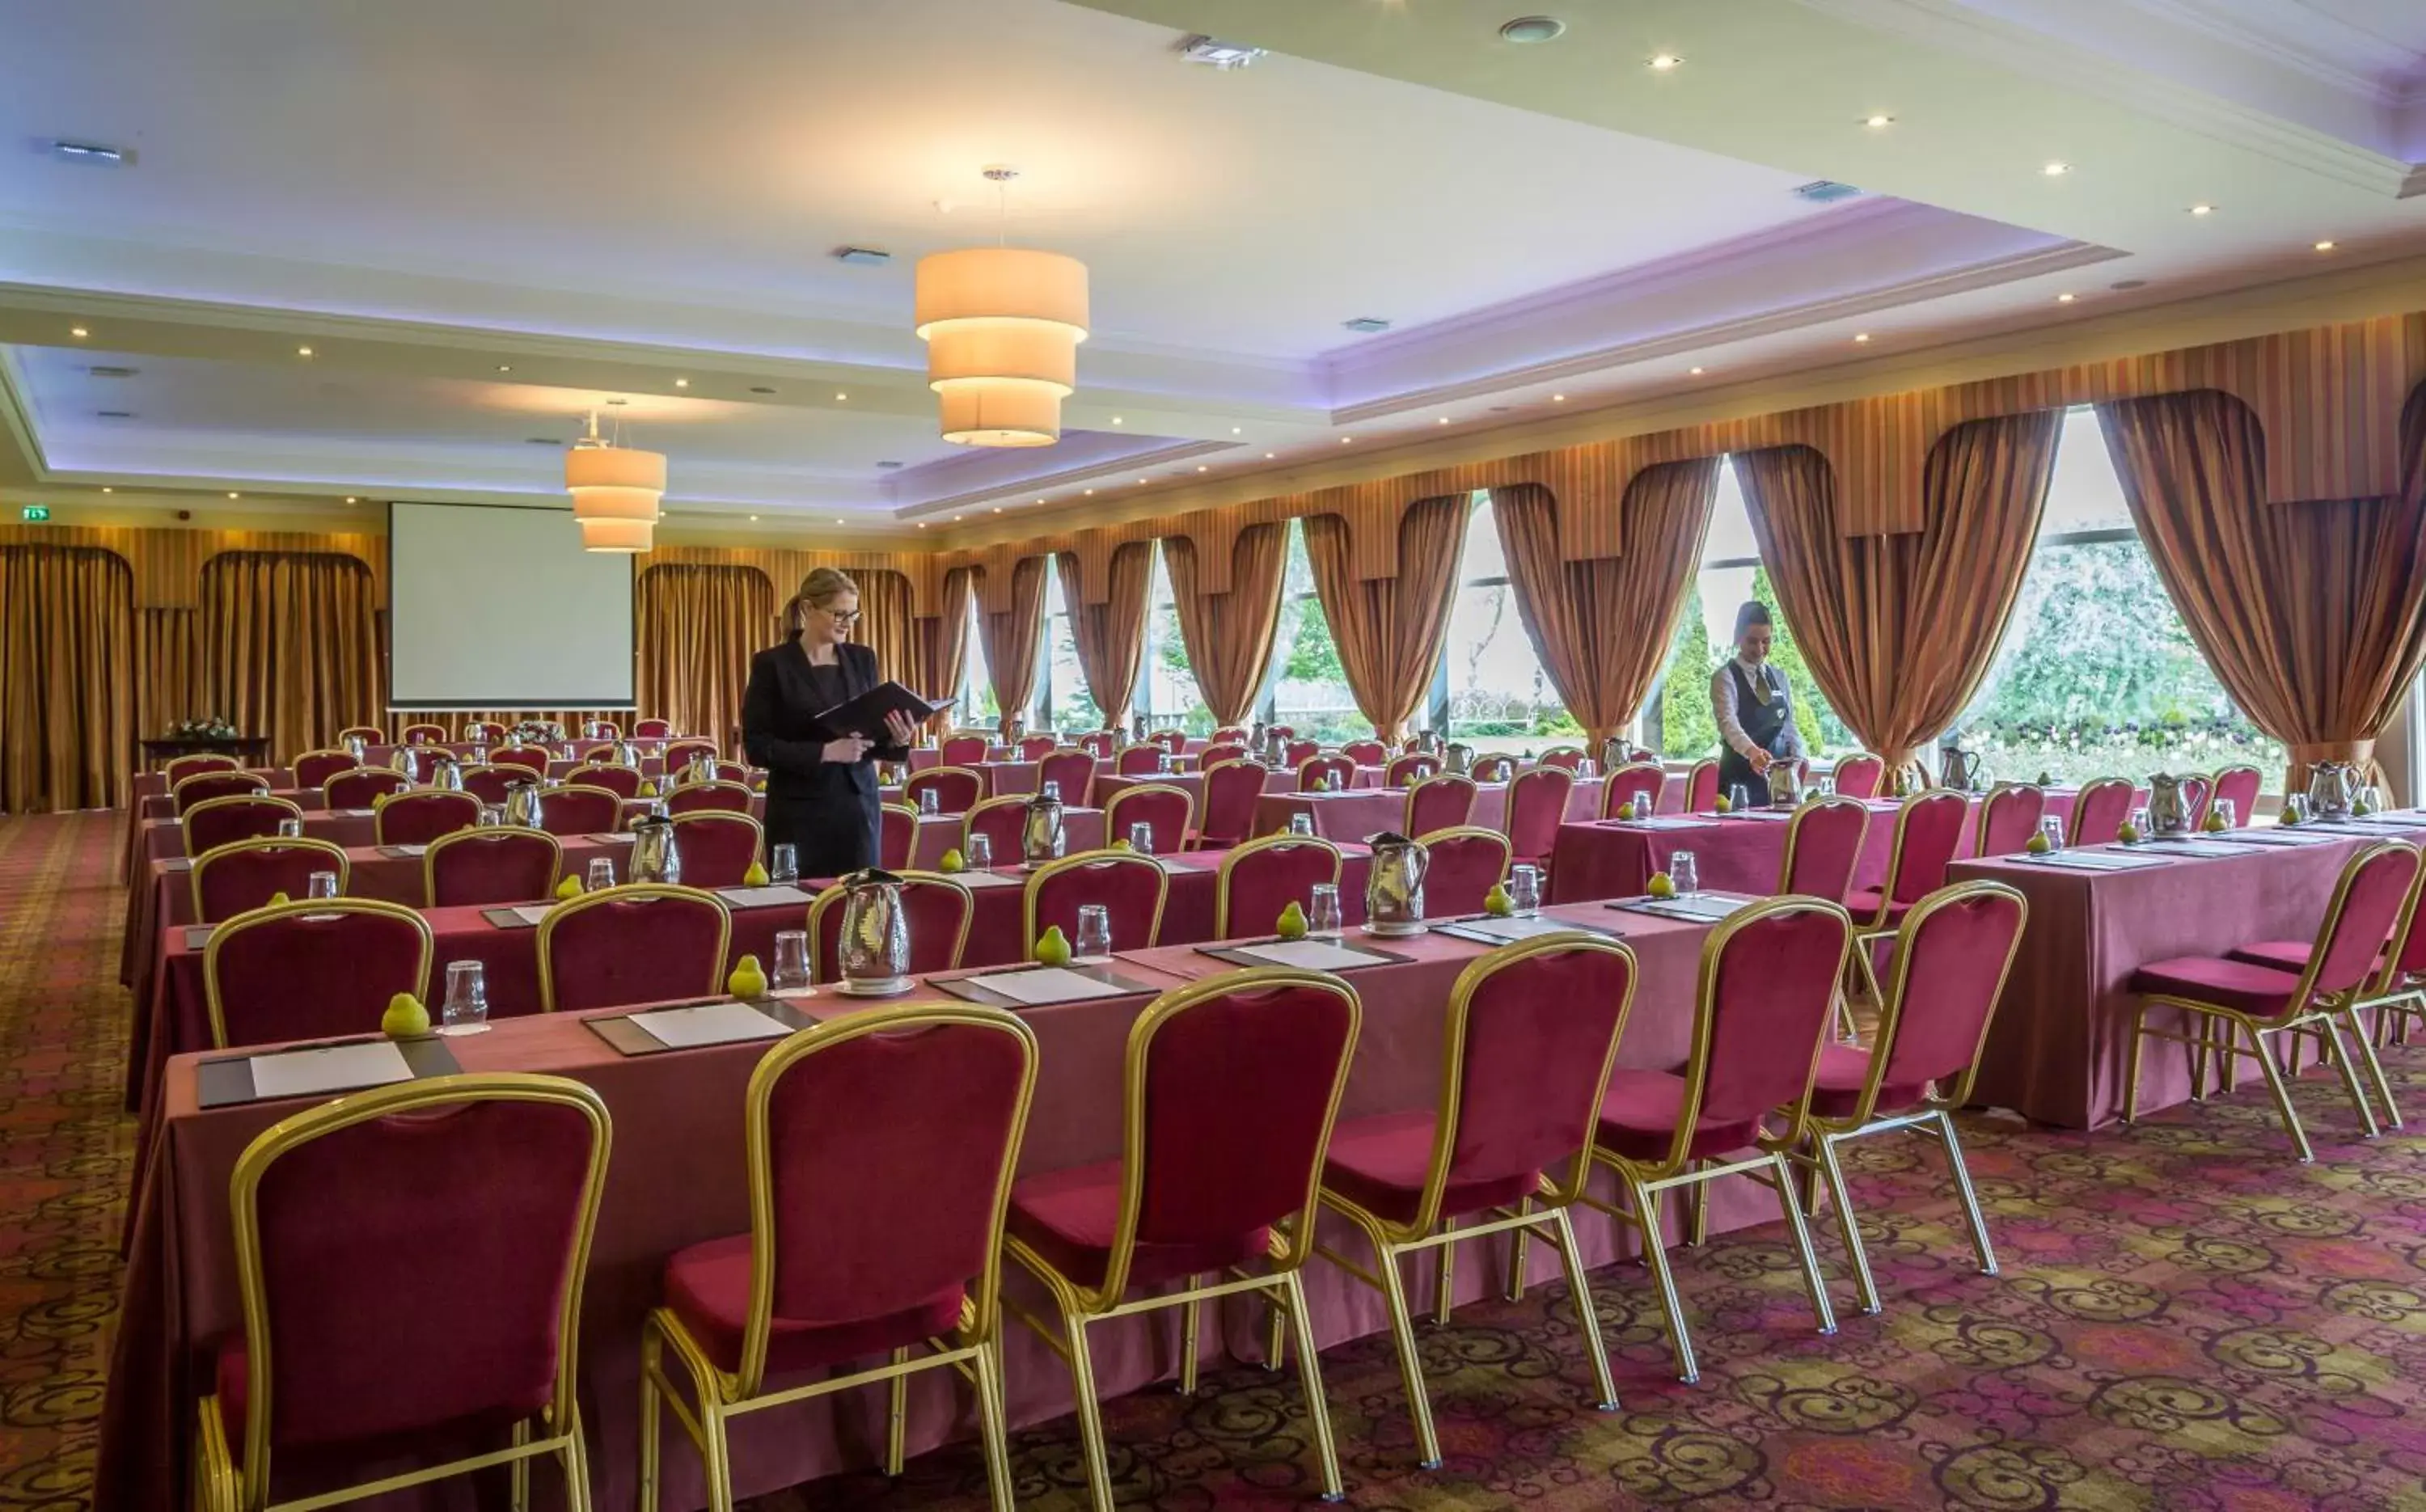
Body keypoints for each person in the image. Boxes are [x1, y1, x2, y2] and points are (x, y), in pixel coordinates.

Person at [742, 568, 920, 876]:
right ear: (809, 609)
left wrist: (897, 738)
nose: (849, 624)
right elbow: (757, 747)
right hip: (799, 811)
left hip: (858, 806)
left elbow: (869, 736)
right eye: (840, 615)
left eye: (854, 615)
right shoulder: (772, 664)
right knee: (802, 906)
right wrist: (826, 752)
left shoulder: (863, 658)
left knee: (861, 906)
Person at [1710, 600, 1805, 804]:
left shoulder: (1780, 677)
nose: (1760, 649)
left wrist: (1797, 762)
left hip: (1777, 783)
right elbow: (1728, 724)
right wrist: (1752, 753)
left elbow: (1789, 726)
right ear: (1738, 638)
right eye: (1752, 641)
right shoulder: (1725, 677)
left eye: (1766, 641)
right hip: (1738, 782)